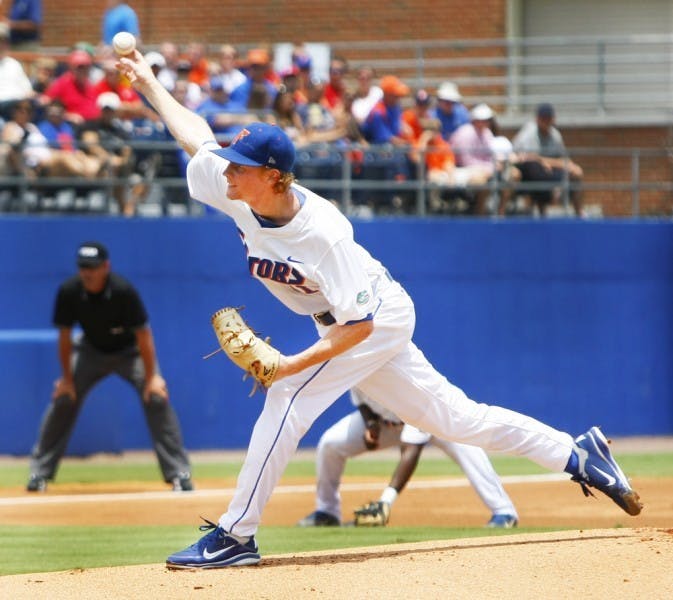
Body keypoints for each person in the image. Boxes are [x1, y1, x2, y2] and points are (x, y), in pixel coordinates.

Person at [115, 50, 641, 569]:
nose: (228, 170)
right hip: (347, 322)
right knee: (457, 419)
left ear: (275, 177)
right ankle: (577, 454)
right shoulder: (236, 190)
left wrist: (288, 366)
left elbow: (360, 325)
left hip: (376, 318)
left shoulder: (324, 234)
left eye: (243, 166)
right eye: (232, 162)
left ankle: (236, 535)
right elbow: (195, 137)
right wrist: (147, 83)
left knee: (288, 398)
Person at [26, 241, 193, 493]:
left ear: (106, 267)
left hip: (130, 353)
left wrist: (151, 379)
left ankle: (179, 473)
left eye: (92, 267)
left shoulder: (123, 291)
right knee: (63, 400)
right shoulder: (69, 291)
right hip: (90, 351)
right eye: (82, 267)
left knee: (157, 398)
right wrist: (67, 379)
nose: (87, 273)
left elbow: (144, 336)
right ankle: (39, 474)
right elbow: (64, 337)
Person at [297, 390, 518, 528]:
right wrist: (371, 424)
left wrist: (385, 502)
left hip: (435, 417)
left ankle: (504, 512)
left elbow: (410, 451)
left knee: (467, 448)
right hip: (387, 424)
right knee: (330, 444)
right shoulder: (360, 365)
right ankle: (327, 512)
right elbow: (360, 398)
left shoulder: (408, 388)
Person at [512, 103, 584, 217]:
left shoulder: (555, 135)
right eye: (543, 118)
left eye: (548, 118)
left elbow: (563, 158)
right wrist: (546, 162)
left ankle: (579, 213)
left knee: (576, 172)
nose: (546, 121)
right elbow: (528, 157)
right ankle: (539, 209)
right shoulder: (530, 132)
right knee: (535, 168)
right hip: (525, 170)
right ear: (537, 118)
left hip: (548, 170)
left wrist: (548, 162)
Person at [0, 21, 34, 120]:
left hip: (19, 104)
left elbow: (28, 89)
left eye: (4, 42)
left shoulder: (14, 64)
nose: (1, 45)